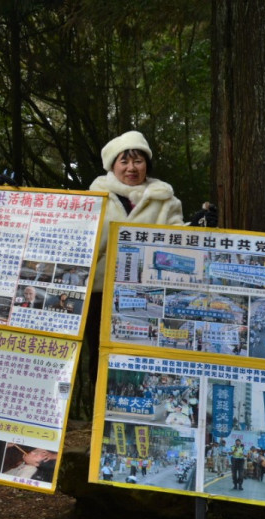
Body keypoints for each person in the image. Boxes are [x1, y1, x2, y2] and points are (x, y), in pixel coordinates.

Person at [85, 131, 184, 391]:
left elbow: (180, 239)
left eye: (138, 161)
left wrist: (198, 227)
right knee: (100, 351)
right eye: (124, 161)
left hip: (146, 293)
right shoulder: (93, 197)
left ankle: (134, 408)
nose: (131, 168)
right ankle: (98, 416)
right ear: (112, 165)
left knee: (142, 349)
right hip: (100, 290)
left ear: (147, 165)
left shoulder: (165, 199)